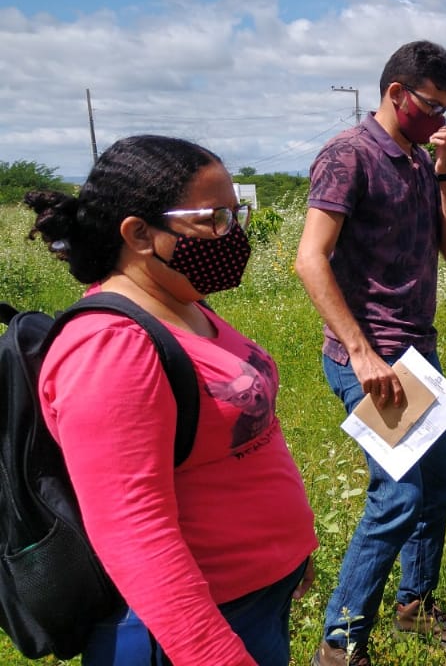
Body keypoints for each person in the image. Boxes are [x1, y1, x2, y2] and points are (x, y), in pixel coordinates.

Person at [26, 135, 318, 665]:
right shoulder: (109, 349)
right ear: (139, 234)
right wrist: (215, 655)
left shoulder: (183, 302)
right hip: (190, 630)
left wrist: (291, 550)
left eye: (236, 214)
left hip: (254, 600)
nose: (231, 234)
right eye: (213, 218)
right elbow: (133, 533)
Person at [295, 39, 446, 666]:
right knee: (397, 498)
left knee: (437, 487)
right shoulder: (349, 156)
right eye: (431, 106)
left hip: (416, 356)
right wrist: (361, 353)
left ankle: (415, 606)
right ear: (396, 94)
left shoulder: (422, 162)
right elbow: (309, 258)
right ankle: (340, 644)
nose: (440, 120)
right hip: (369, 362)